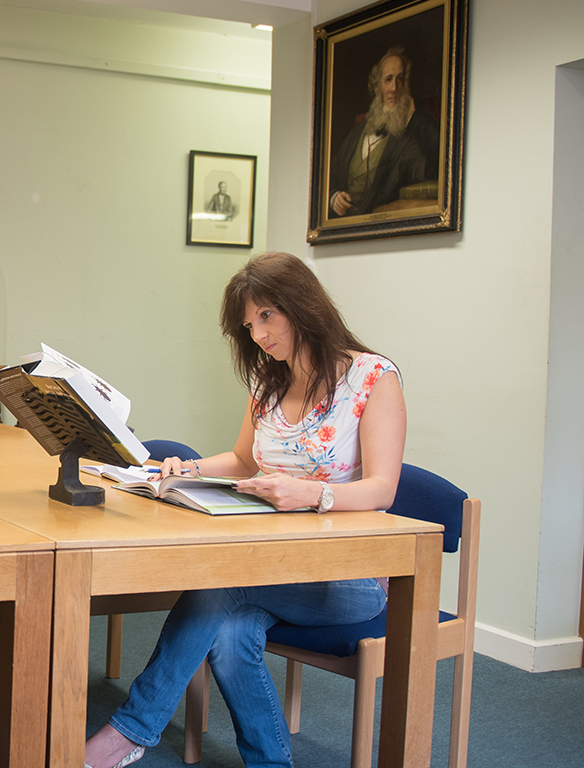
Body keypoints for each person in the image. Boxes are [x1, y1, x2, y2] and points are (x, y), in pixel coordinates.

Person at [84, 251, 405, 768]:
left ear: (302, 305)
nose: (258, 334)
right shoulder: (268, 381)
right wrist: (184, 470)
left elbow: (382, 489)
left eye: (266, 316)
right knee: (231, 634)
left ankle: (130, 732)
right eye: (249, 324)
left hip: (350, 575)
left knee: (220, 581)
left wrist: (313, 494)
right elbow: (240, 460)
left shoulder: (372, 377)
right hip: (273, 560)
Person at [328, 46, 440, 217]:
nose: (394, 88)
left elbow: (437, 165)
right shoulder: (359, 130)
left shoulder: (407, 142)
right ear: (377, 88)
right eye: (388, 80)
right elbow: (329, 176)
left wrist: (413, 118)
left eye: (400, 79)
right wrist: (334, 196)